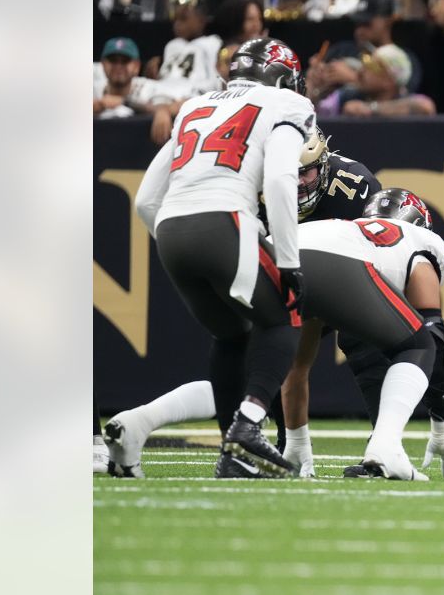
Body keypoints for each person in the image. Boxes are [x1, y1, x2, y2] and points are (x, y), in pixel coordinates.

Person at [105, 130, 384, 478]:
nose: (297, 183)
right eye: (288, 173)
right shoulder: (247, 189)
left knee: (368, 337)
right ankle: (144, 420)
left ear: (325, 165)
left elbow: (378, 258)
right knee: (257, 371)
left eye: (307, 172)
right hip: (276, 278)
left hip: (339, 279)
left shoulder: (355, 186)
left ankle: (383, 445)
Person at [131, 37, 313, 478]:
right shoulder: (286, 102)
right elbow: (283, 178)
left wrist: (179, 238)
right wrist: (289, 260)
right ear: (283, 77)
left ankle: (233, 452)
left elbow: (144, 201)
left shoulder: (195, 104)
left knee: (232, 334)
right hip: (224, 219)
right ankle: (248, 426)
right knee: (286, 316)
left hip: (172, 230)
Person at [285, 188, 444, 480]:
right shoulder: (423, 242)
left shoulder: (348, 232)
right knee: (420, 344)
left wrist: (296, 442)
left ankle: (286, 448)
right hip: (331, 262)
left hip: (279, 252)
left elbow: (298, 368)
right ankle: (386, 448)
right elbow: (434, 338)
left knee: (259, 365)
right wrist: (443, 426)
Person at [317, 44, 437, 117]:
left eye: (371, 67)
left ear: (389, 80)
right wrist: (314, 88)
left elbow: (426, 107)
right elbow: (315, 113)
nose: (361, 71)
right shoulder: (346, 96)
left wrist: (370, 109)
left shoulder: (405, 101)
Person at [150, 0, 225, 97]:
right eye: (175, 19)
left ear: (201, 20)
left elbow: (216, 79)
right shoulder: (172, 45)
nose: (177, 24)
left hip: (195, 94)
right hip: (164, 92)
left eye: (183, 19)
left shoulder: (213, 43)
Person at [93, 37, 176, 119]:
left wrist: (163, 110)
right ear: (103, 64)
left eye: (125, 61)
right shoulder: (92, 89)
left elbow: (182, 102)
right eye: (113, 60)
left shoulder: (147, 88)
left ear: (137, 66)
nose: (118, 66)